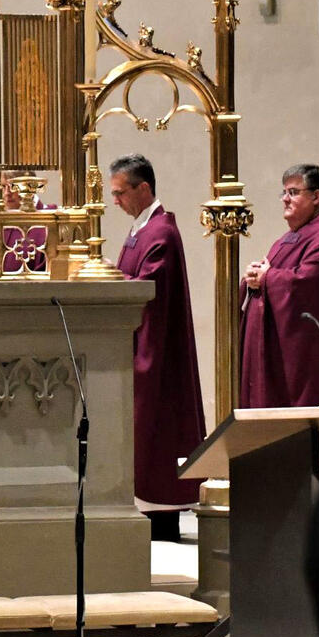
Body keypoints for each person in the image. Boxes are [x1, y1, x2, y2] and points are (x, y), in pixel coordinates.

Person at [109, 154, 206, 542]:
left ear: (143, 188)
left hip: (157, 353)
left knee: (156, 433)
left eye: (119, 193)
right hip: (137, 344)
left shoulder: (160, 233)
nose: (114, 201)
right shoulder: (139, 230)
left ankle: (161, 519)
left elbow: (148, 293)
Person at [240, 163, 319, 409]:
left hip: (305, 358)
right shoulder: (290, 237)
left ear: (316, 196)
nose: (284, 199)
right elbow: (273, 272)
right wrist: (252, 279)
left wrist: (267, 278)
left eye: (293, 192)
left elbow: (309, 282)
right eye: (283, 193)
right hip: (277, 350)